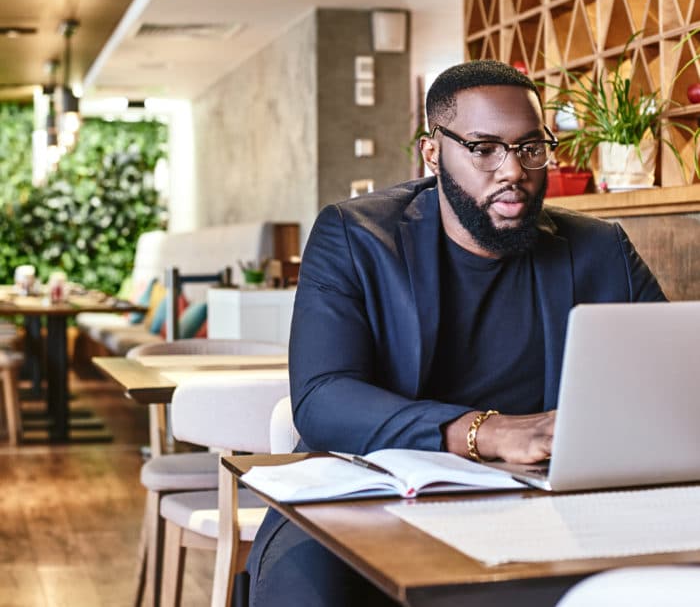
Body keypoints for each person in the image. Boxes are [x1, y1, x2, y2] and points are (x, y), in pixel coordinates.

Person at [246, 60, 666, 606]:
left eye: (529, 147)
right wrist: (485, 432)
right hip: (367, 492)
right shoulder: (356, 237)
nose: (513, 169)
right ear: (431, 151)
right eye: (484, 148)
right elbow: (323, 399)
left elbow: (671, 383)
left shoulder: (601, 249)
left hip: (545, 506)